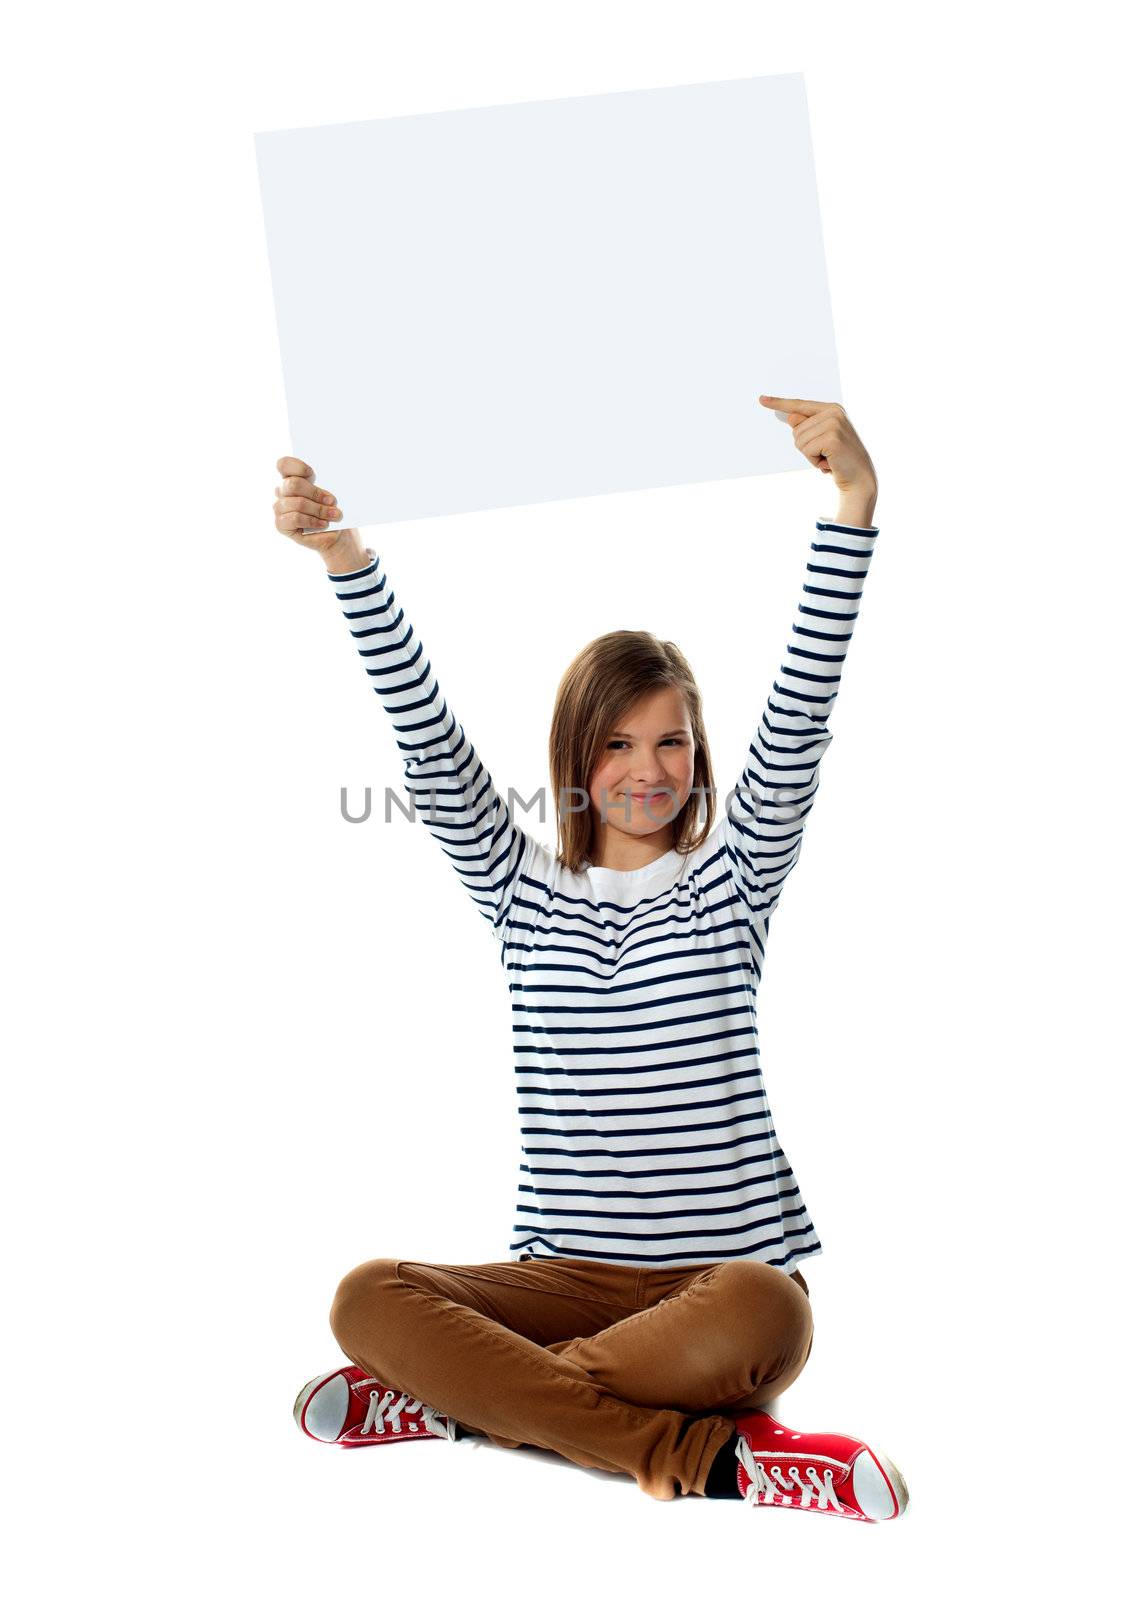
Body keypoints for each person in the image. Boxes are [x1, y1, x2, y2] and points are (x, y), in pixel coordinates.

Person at [274, 396, 909, 1520]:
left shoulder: (730, 879)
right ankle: (715, 1460)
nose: (647, 767)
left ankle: (457, 1405)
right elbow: (427, 736)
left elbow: (801, 710)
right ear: (578, 752)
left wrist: (853, 505)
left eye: (671, 739)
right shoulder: (520, 892)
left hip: (712, 1295)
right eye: (617, 741)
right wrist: (346, 558)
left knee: (776, 1311)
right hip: (557, 1288)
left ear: (698, 752)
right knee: (367, 1296)